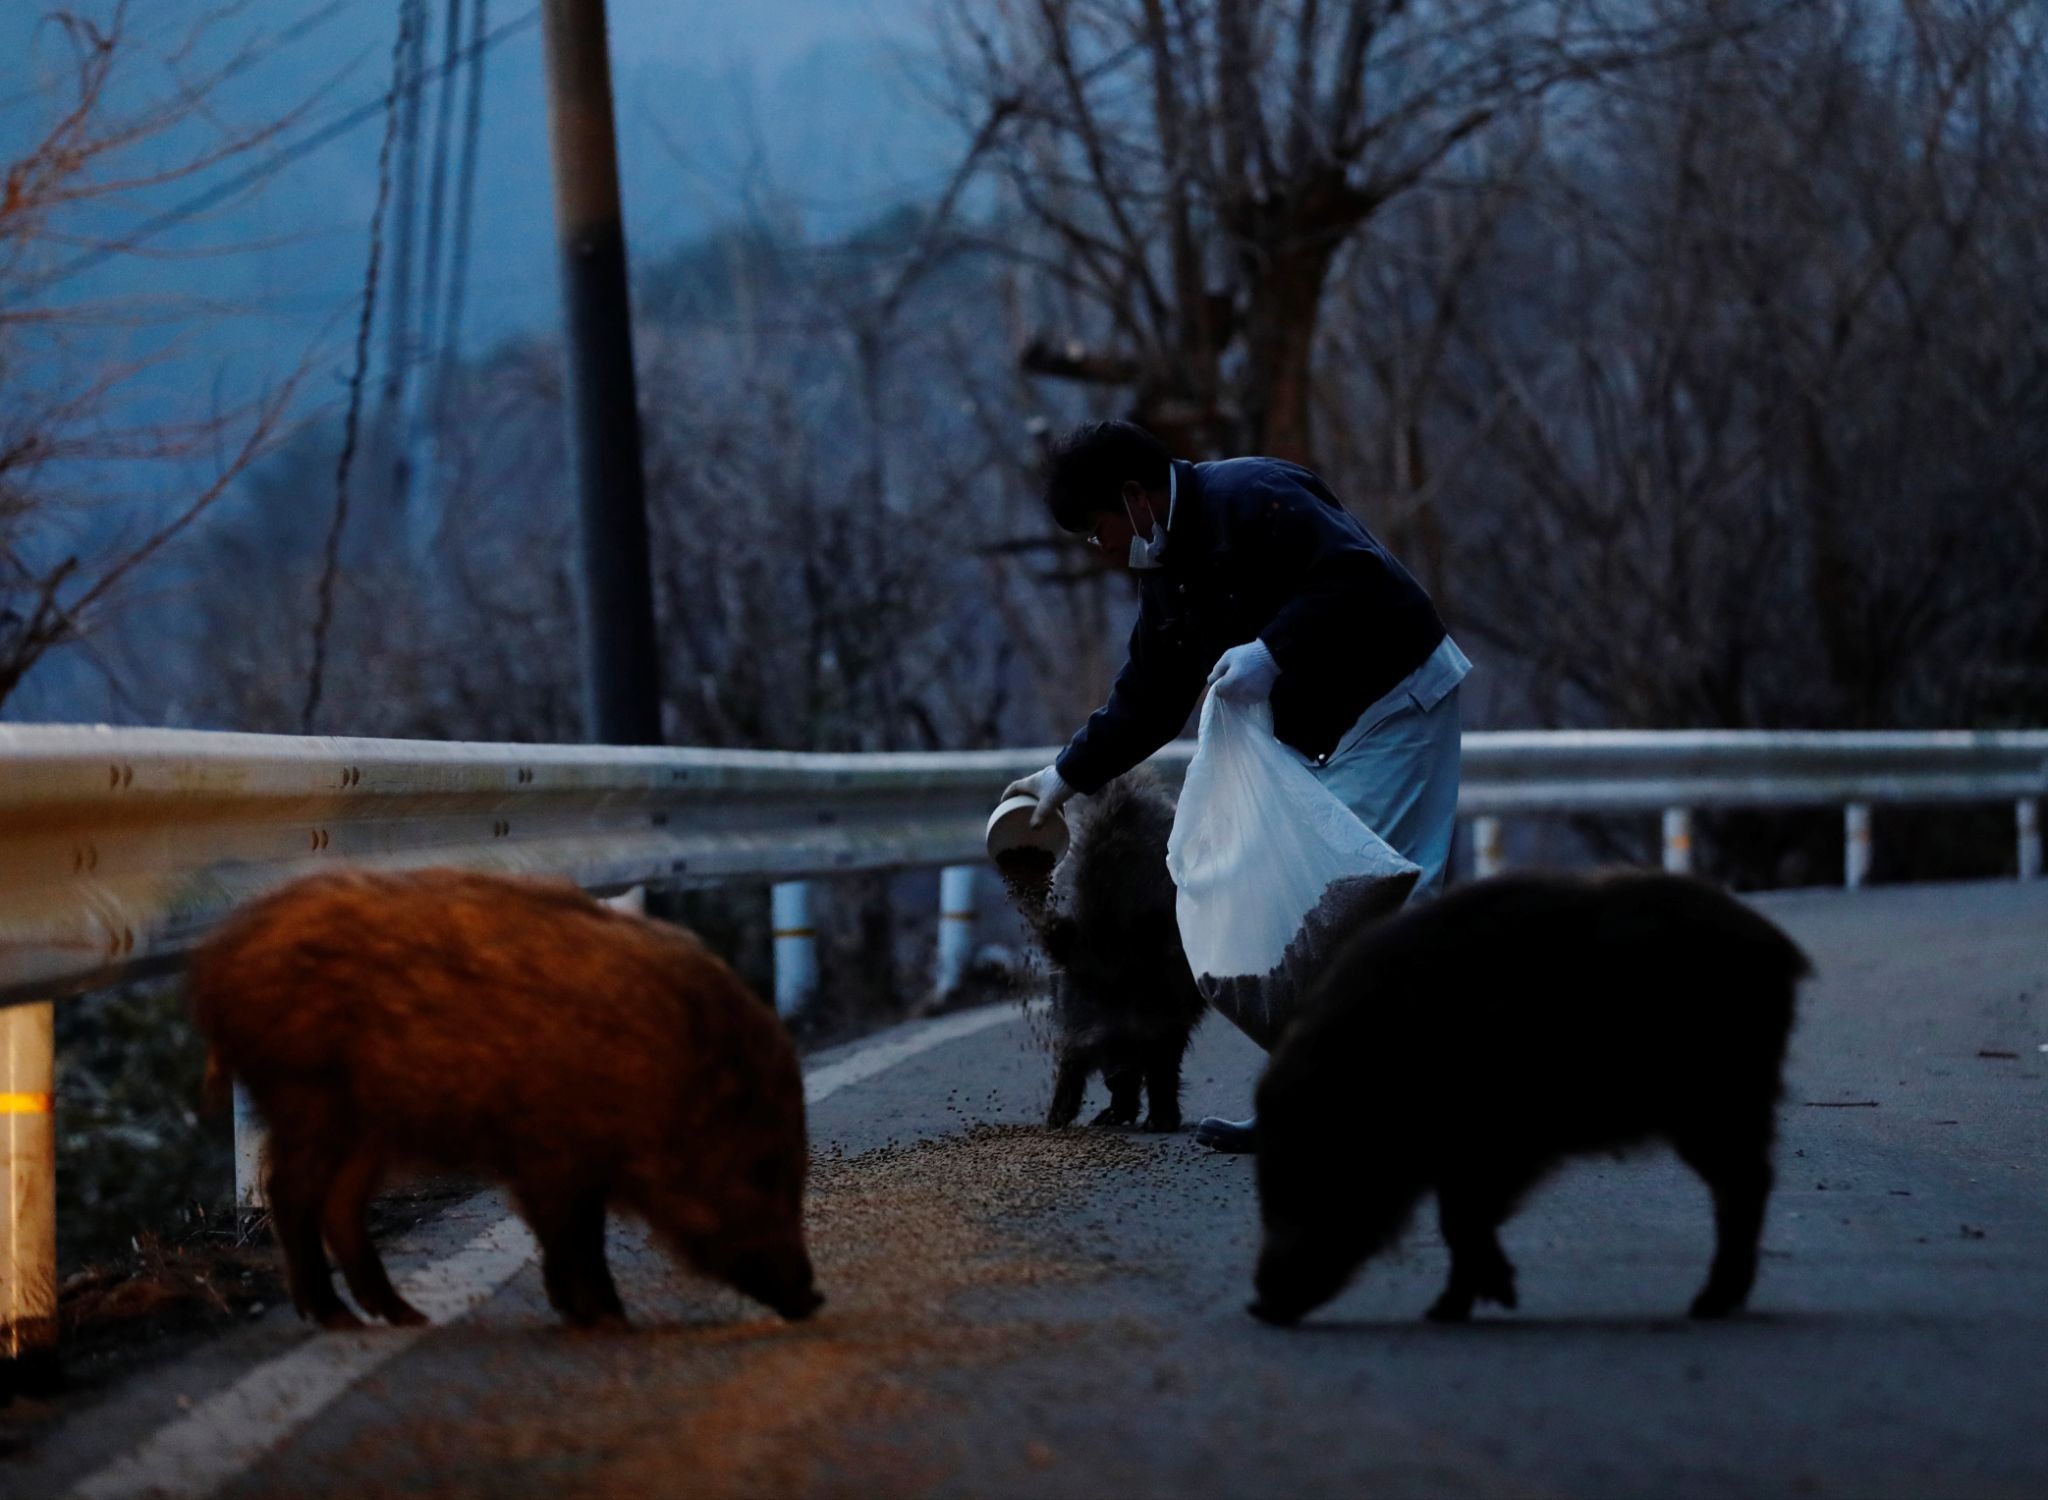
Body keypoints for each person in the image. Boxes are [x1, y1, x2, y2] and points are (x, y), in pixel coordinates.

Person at [1002, 420, 1469, 1152]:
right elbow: (1153, 692)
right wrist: (1066, 775)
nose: (1105, 552)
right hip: (1323, 731)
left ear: (1134, 498)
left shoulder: (1256, 496)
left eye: (1099, 532)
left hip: (1394, 701)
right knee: (1284, 908)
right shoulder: (1168, 570)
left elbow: (1360, 574)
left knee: (1349, 899)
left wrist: (1274, 648)